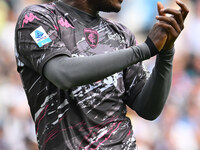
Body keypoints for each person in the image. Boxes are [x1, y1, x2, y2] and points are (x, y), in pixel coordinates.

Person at [14, 0, 188, 149]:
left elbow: (148, 109)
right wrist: (146, 49)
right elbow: (63, 73)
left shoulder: (121, 34)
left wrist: (166, 52)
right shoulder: (37, 18)